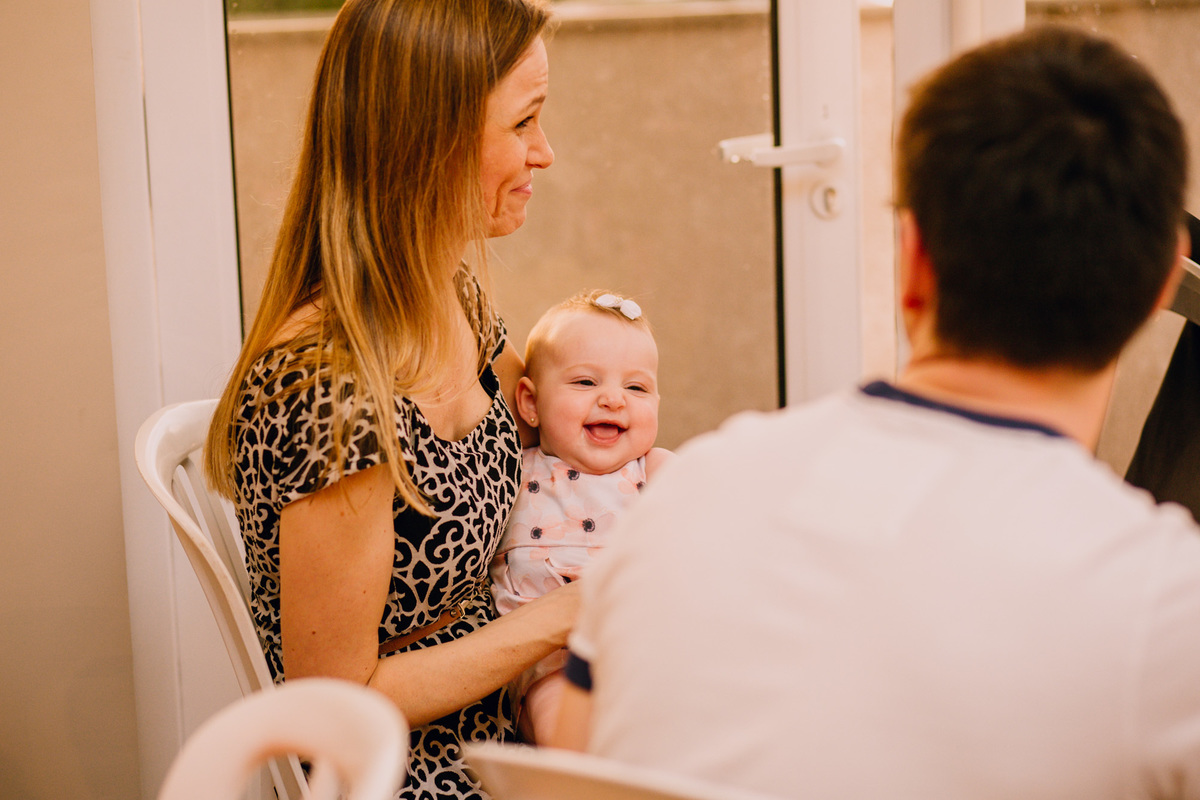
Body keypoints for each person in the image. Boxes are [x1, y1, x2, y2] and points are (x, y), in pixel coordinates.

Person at [553, 24, 1200, 800]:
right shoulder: (1165, 606)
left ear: (912, 255)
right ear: (1162, 285)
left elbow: (572, 771)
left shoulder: (680, 494)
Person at [203, 1, 578, 797]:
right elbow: (333, 704)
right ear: (428, 144)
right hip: (405, 769)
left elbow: (556, 424)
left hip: (505, 713)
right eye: (523, 124)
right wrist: (566, 615)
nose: (545, 152)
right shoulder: (328, 390)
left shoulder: (449, 294)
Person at [489, 290, 672, 743]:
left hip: (647, 652)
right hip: (548, 662)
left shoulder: (656, 472)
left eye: (636, 387)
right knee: (561, 736)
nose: (613, 399)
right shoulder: (513, 470)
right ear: (530, 402)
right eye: (585, 382)